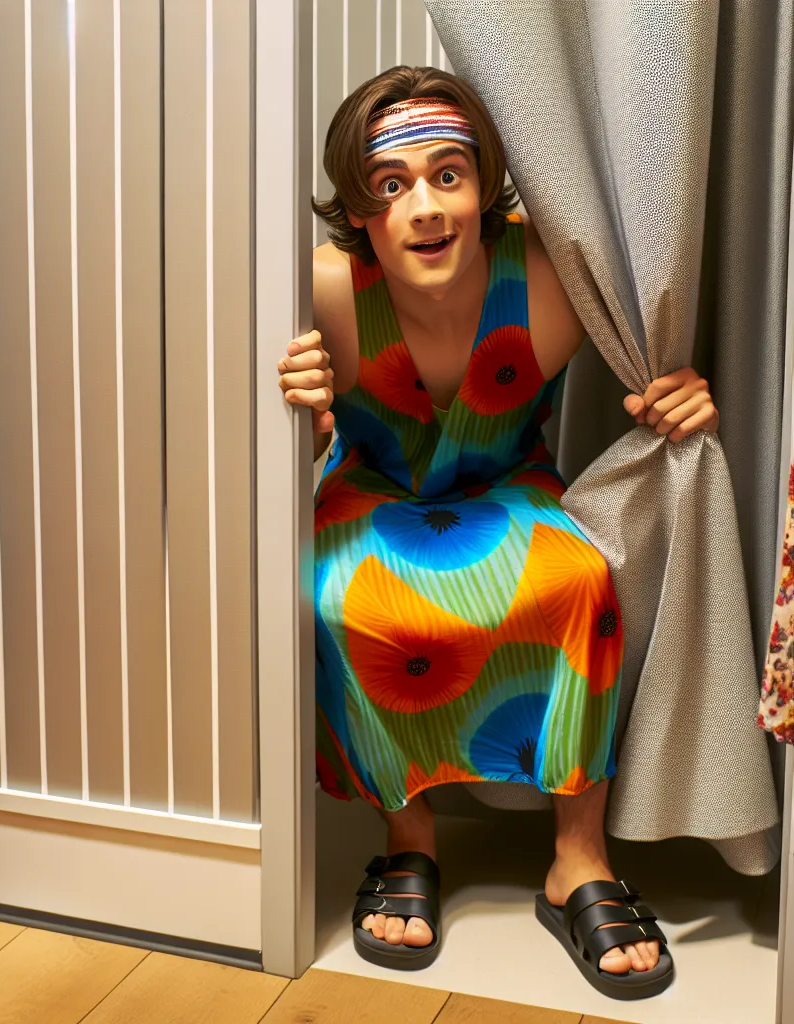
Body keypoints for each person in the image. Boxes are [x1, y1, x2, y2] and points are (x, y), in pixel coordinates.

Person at [277, 66, 718, 999]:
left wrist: (679, 390)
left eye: (448, 174)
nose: (426, 207)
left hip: (511, 486)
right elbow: (242, 406)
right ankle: (409, 839)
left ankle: (577, 858)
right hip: (371, 489)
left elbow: (650, 360)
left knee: (579, 579)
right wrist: (294, 407)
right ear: (359, 210)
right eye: (391, 185)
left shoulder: (554, 280)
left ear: (483, 186)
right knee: (337, 591)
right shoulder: (319, 289)